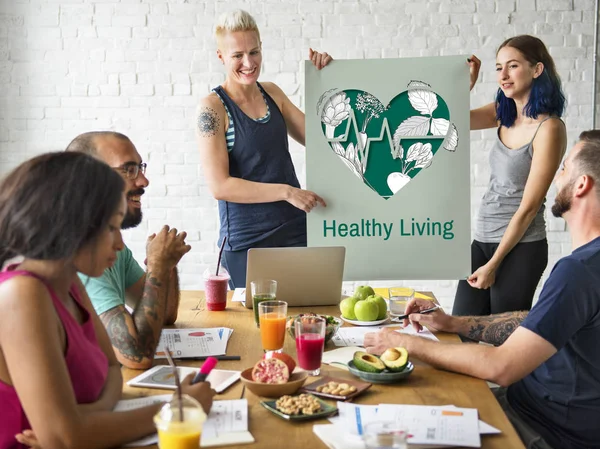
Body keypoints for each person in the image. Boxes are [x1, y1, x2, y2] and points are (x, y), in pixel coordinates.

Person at [364, 130, 600, 449]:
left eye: (564, 167)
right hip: (536, 410)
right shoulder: (588, 265)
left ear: (582, 184)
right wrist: (454, 324)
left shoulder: (579, 271)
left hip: (540, 428)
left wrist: (402, 341)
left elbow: (500, 367)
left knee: (390, 430)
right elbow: (535, 326)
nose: (557, 176)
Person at [0, 152, 213, 449]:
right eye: (112, 227)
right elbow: (65, 437)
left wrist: (82, 419)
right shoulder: (22, 295)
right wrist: (179, 407)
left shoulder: (71, 282)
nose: (120, 242)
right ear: (72, 225)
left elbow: (112, 372)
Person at [196, 9, 327, 288]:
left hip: (294, 231)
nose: (248, 62)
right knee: (255, 328)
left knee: (307, 321)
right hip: (247, 243)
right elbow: (220, 186)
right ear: (221, 57)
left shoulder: (273, 93)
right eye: (237, 55)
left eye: (254, 52)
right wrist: (287, 191)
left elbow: (320, 141)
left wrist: (326, 81)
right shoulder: (213, 108)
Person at [454, 35, 567, 315]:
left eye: (512, 66)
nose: (503, 75)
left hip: (521, 247)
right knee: (460, 330)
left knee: (502, 339)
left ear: (537, 69)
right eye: (498, 67)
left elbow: (528, 208)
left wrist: (494, 264)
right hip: (483, 238)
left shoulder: (549, 128)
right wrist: (467, 83)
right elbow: (451, 120)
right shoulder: (503, 113)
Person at [66, 131, 191, 369]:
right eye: (129, 169)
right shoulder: (84, 254)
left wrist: (166, 265)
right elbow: (136, 357)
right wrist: (157, 266)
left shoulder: (113, 245)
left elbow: (164, 315)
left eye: (140, 168)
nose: (144, 181)